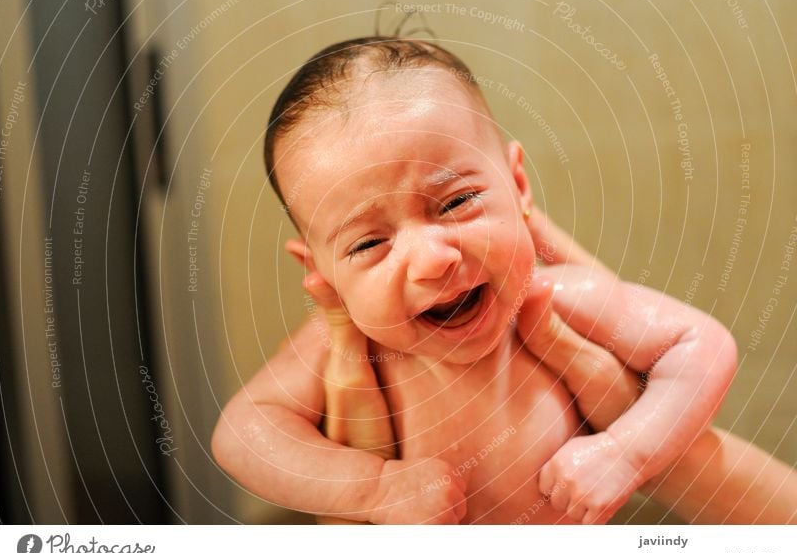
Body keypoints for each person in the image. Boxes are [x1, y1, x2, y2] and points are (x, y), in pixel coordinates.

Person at [211, 37, 789, 524]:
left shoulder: (554, 298)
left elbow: (700, 346)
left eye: (457, 201)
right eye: (368, 243)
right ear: (320, 272)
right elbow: (244, 433)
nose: (432, 260)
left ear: (517, 184)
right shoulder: (353, 341)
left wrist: (626, 452)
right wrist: (371, 487)